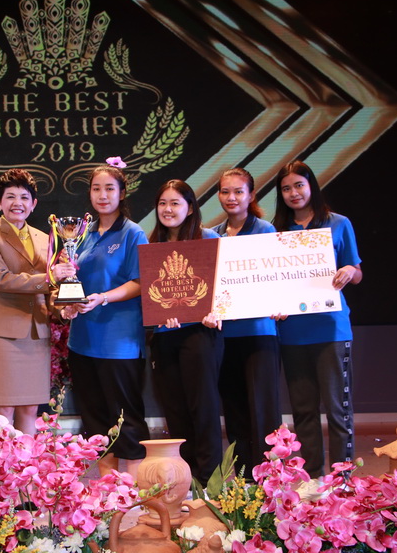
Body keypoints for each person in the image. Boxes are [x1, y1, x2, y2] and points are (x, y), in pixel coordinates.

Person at [272, 160, 362, 477]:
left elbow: (357, 272)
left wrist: (348, 270)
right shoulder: (275, 232)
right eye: (286, 188)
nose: (293, 193)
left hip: (331, 329)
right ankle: (311, 476)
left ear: (311, 186)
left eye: (299, 185)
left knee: (338, 409)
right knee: (303, 410)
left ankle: (342, 479)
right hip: (291, 332)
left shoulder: (338, 223)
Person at [61, 158, 150, 477]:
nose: (102, 195)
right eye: (96, 189)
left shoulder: (133, 233)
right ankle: (107, 493)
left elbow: (141, 282)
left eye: (110, 188)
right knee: (95, 423)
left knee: (127, 421)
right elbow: (73, 278)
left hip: (119, 344)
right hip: (83, 342)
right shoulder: (81, 233)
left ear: (122, 193)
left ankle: (135, 494)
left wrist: (104, 297)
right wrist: (68, 304)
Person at [0, 169, 76, 436]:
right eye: (10, 197)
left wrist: (63, 309)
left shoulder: (45, 238)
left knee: (30, 409)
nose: (17, 203)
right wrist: (50, 277)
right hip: (2, 333)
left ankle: (28, 465)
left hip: (36, 333)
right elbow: (1, 280)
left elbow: (49, 288)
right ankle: (1, 465)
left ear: (33, 204)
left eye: (24, 197)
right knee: (2, 411)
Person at [148, 179, 224, 484]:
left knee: (203, 407)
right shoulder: (152, 246)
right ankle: (186, 479)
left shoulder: (209, 239)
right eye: (162, 203)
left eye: (175, 203)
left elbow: (225, 286)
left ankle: (211, 481)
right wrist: (160, 317)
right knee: (175, 409)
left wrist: (217, 311)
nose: (168, 209)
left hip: (200, 335)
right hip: (164, 337)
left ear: (190, 208)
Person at [211, 168, 282, 475]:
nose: (232, 198)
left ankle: (269, 477)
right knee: (234, 409)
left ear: (251, 195)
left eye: (238, 191)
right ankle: (242, 480)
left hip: (258, 333)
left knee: (263, 410)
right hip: (224, 335)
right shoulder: (212, 235)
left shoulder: (265, 230)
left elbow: (278, 278)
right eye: (225, 192)